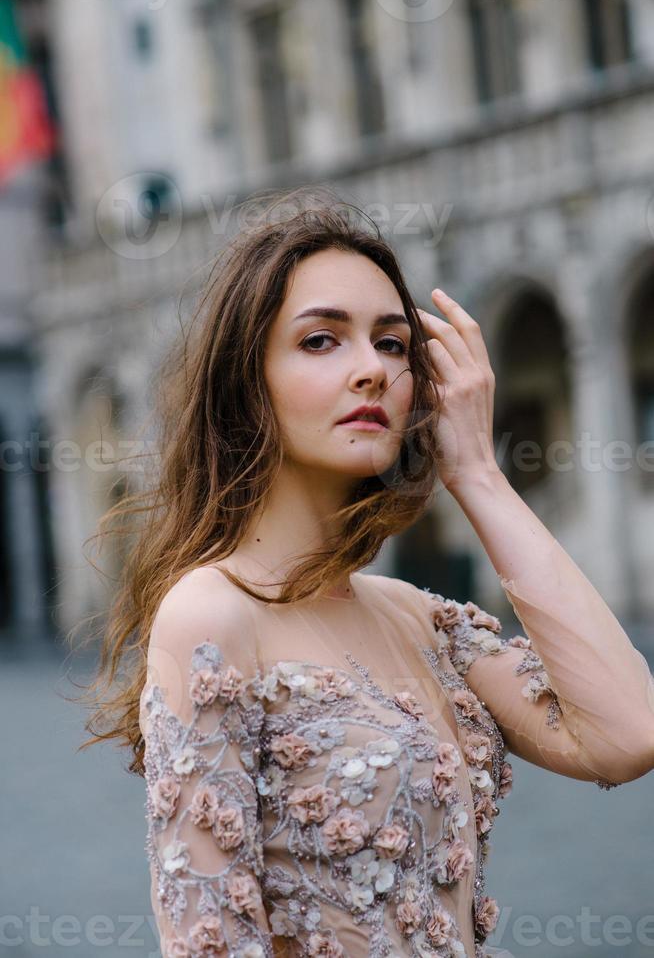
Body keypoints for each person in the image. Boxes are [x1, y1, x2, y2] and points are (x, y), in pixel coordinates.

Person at [79, 193, 654, 958]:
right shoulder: (211, 617)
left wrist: (479, 474)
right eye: (321, 341)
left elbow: (625, 735)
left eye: (392, 345)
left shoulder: (421, 619)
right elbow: (209, 942)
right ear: (246, 380)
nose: (371, 371)